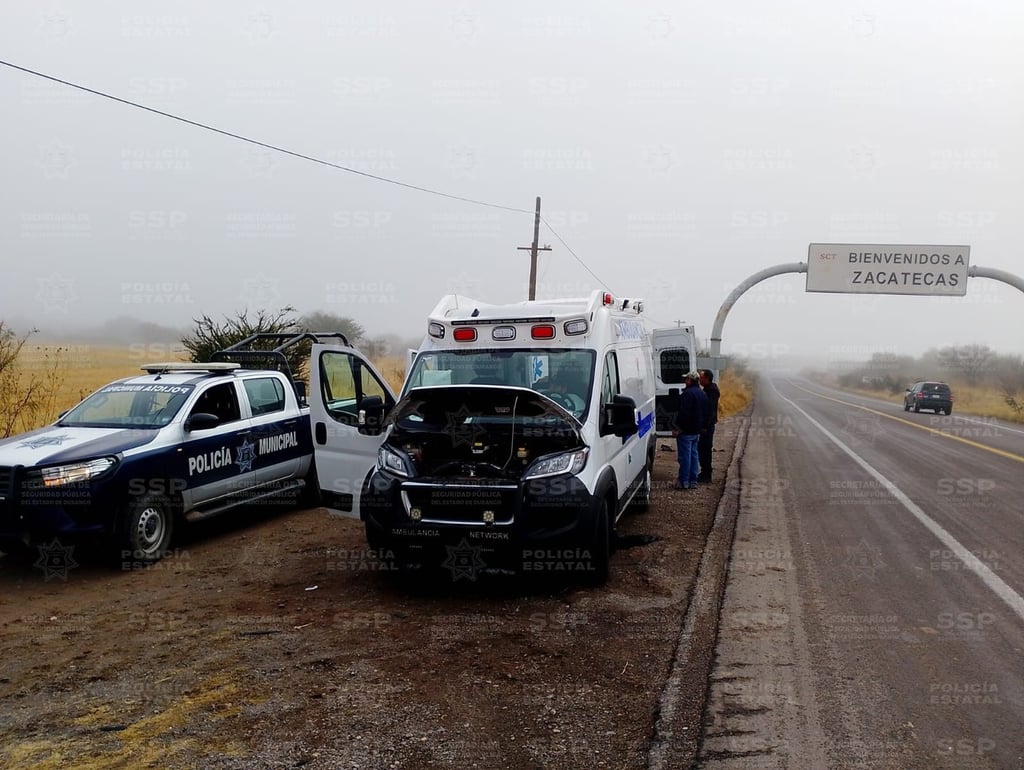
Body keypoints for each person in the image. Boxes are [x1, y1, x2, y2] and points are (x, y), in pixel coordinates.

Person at [672, 371, 709, 490]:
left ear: (690, 380)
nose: (684, 381)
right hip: (696, 430)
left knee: (685, 457)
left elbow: (683, 414)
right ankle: (693, 481)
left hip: (686, 431)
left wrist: (678, 428)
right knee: (694, 456)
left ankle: (683, 482)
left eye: (686, 379)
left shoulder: (687, 394)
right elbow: (706, 412)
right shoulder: (702, 393)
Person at [697, 369, 720, 482]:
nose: (700, 380)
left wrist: (705, 426)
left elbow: (710, 411)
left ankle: (706, 474)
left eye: (701, 378)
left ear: (707, 379)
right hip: (706, 425)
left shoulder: (711, 391)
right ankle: (704, 472)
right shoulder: (707, 389)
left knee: (705, 450)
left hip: (707, 426)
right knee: (702, 449)